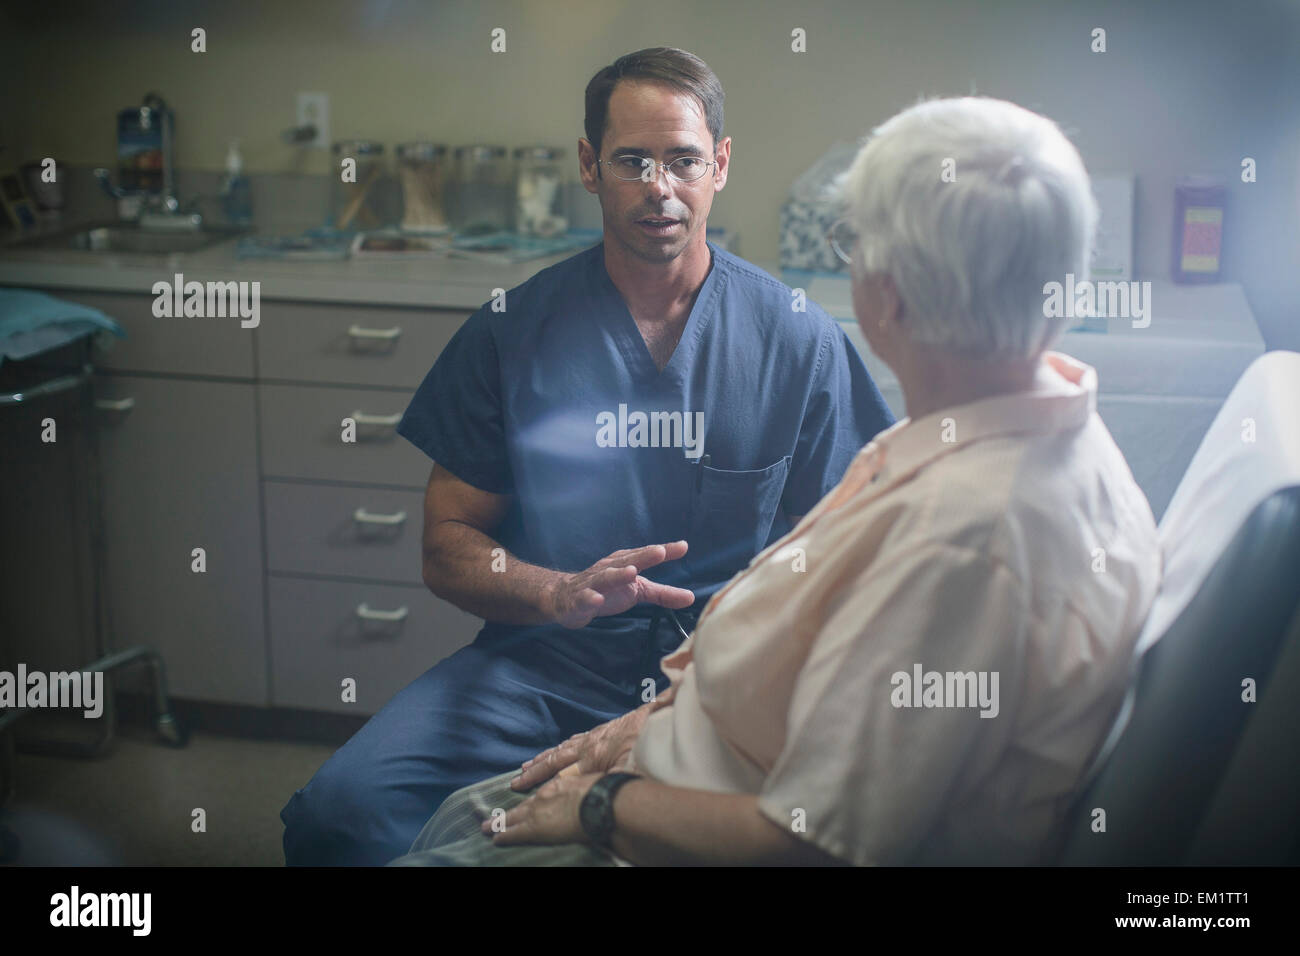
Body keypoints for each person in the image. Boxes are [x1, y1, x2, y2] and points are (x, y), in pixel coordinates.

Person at [388, 95, 1164, 867]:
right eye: (633, 161)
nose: (660, 186)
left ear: (885, 293)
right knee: (385, 814)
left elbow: (814, 842)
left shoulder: (964, 540)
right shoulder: (1022, 436)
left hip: (675, 823)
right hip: (631, 718)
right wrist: (650, 717)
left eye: (850, 242)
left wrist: (601, 805)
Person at [280, 47, 894, 866]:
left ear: (720, 164)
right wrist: (555, 591)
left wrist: (732, 682)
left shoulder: (797, 340)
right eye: (631, 161)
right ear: (588, 166)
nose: (659, 187)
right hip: (539, 665)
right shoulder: (513, 332)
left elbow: (852, 559)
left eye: (682, 160)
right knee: (340, 817)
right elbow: (446, 544)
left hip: (713, 687)